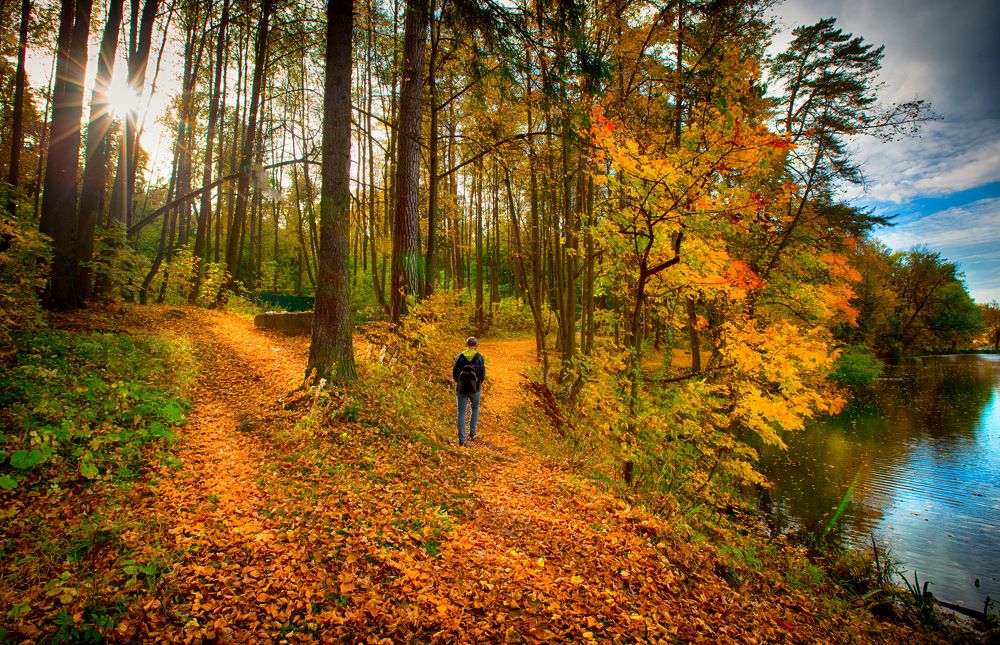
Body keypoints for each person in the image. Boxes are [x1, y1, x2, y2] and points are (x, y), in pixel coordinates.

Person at [453, 336, 486, 446]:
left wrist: (458, 382)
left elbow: (455, 374)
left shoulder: (459, 357)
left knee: (461, 412)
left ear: (466, 345)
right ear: (476, 345)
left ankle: (462, 439)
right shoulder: (480, 357)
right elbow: (482, 375)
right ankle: (472, 434)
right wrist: (478, 383)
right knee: (475, 408)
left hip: (461, 388)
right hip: (475, 388)